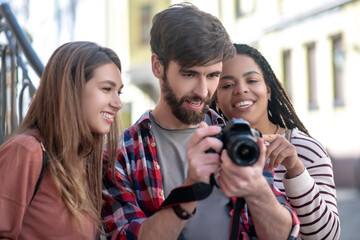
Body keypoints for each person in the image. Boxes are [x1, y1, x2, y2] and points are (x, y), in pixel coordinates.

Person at [102, 3, 300, 240]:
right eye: (189, 74)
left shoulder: (238, 135)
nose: (203, 90)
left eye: (213, 75)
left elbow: (282, 236)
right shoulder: (119, 155)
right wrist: (191, 188)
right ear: (158, 66)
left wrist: (256, 188)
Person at [212, 43, 340, 239]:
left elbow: (326, 237)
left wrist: (295, 169)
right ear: (217, 100)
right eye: (227, 85)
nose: (241, 90)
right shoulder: (209, 150)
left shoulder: (305, 149)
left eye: (252, 80)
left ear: (268, 90)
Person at [0, 41, 124, 239]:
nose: (118, 103)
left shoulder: (86, 164)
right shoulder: (27, 151)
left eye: (119, 92)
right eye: (107, 89)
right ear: (72, 88)